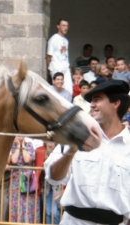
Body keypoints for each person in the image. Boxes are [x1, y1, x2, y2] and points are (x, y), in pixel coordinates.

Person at [44, 80, 130, 225]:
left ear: (116, 103)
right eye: (91, 101)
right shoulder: (76, 137)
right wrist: (72, 149)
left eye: (97, 100)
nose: (91, 105)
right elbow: (53, 177)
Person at [9, 136, 40, 223]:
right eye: (18, 135)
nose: (20, 137)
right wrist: (18, 146)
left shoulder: (29, 145)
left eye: (21, 135)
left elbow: (27, 159)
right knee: (17, 206)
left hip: (28, 182)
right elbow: (14, 160)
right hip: (16, 182)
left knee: (28, 207)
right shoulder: (12, 147)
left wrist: (23, 146)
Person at [46, 19, 73, 96]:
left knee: (69, 91)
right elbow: (48, 56)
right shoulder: (53, 39)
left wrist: (68, 66)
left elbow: (65, 55)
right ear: (58, 26)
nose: (66, 28)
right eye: (63, 25)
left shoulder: (66, 40)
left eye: (67, 26)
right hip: (56, 67)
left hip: (65, 68)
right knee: (57, 91)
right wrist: (48, 68)